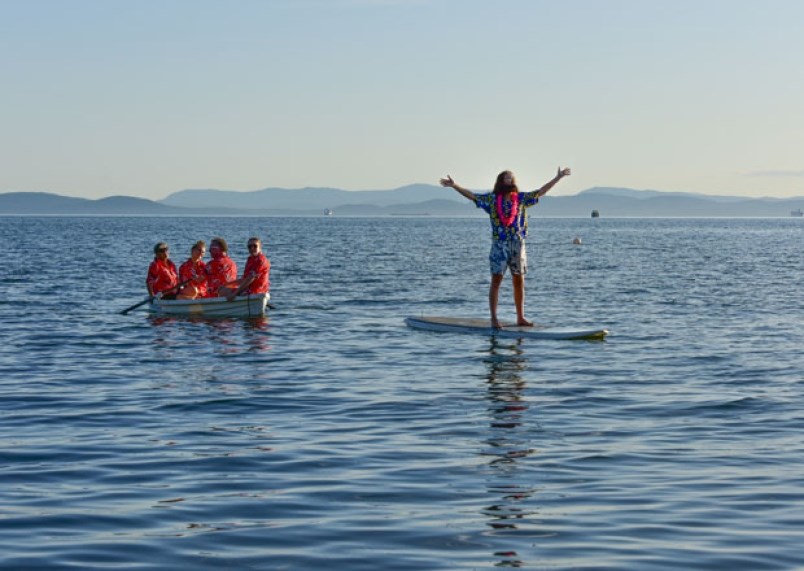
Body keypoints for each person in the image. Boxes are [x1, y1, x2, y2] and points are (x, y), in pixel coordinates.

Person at [440, 167, 571, 329]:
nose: (509, 181)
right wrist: (455, 186)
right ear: (500, 182)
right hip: (499, 244)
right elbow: (473, 196)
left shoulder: (521, 199)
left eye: (511, 179)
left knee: (519, 280)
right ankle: (494, 318)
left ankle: (520, 317)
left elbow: (541, 192)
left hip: (518, 243)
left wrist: (557, 178)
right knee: (496, 280)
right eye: (506, 179)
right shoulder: (493, 200)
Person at [220, 237, 271, 301]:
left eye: (255, 246)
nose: (252, 248)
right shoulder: (250, 260)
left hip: (256, 292)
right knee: (222, 289)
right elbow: (244, 280)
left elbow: (250, 278)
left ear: (260, 247)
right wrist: (226, 284)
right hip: (248, 290)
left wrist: (235, 294)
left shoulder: (261, 260)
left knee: (223, 291)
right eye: (250, 246)